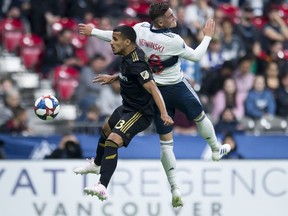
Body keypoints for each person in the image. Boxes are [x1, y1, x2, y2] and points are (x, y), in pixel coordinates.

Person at [76, 2, 231, 207]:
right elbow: (196, 56)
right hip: (173, 87)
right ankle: (215, 149)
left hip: (151, 88)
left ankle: (175, 188)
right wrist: (208, 36)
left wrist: (94, 31)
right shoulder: (173, 40)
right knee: (200, 116)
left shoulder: (140, 30)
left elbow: (118, 37)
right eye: (170, 15)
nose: (174, 17)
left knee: (166, 143)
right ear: (160, 21)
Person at [74, 25, 174, 201]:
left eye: (115, 40)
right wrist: (113, 77)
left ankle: (102, 186)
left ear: (127, 42)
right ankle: (97, 164)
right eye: (111, 38)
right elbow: (131, 74)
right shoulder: (128, 55)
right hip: (128, 107)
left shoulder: (137, 62)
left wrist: (164, 113)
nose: (111, 43)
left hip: (140, 112)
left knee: (112, 141)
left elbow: (153, 88)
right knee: (106, 130)